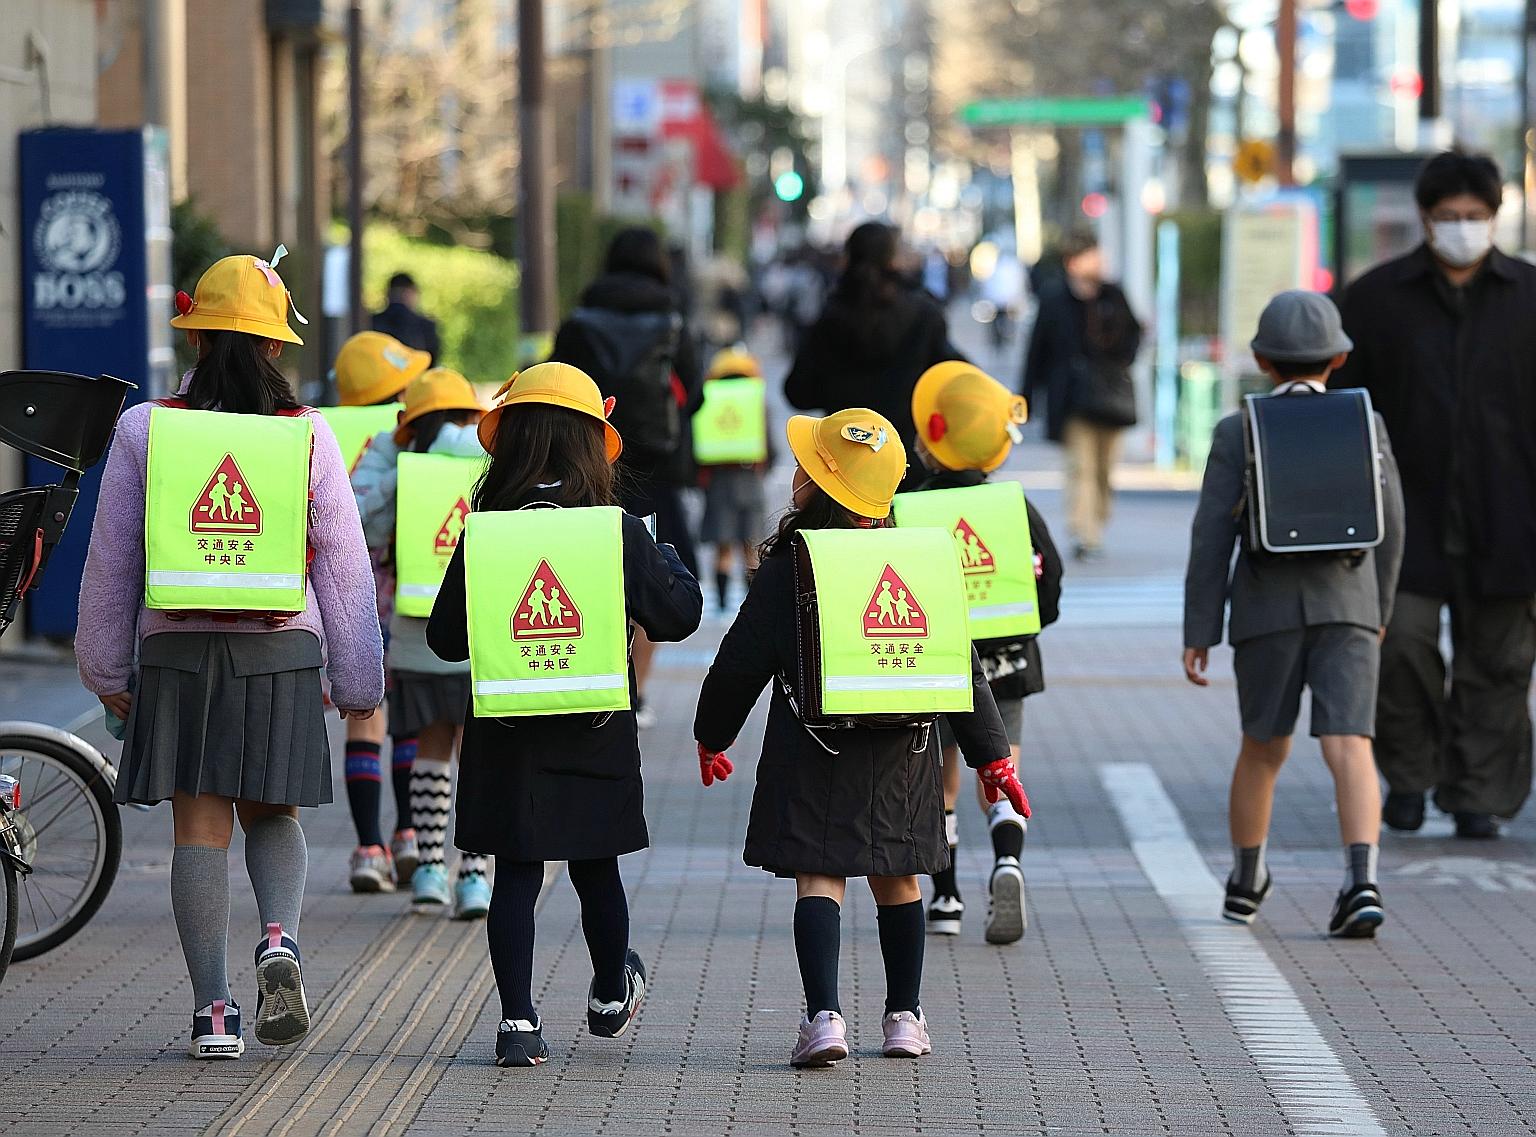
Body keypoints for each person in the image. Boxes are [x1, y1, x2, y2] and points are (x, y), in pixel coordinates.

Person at [75, 251, 385, 1059]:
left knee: (198, 827)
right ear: (275, 347)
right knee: (271, 811)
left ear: (199, 337)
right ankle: (278, 937)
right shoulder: (307, 434)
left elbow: (113, 558)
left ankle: (214, 1013)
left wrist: (105, 670)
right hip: (282, 651)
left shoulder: (146, 428)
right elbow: (344, 565)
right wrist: (358, 680)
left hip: (177, 652)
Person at [693, 407, 1028, 1068]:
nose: (793, 474)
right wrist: (993, 758)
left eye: (804, 468)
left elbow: (738, 664)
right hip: (902, 754)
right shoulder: (919, 558)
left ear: (820, 485)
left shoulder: (791, 564)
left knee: (819, 877)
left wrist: (713, 734)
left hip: (812, 748)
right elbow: (961, 665)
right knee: (899, 878)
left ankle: (823, 1017)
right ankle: (904, 1017)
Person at [425, 362, 702, 1068]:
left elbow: (445, 638)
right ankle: (611, 989)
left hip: (507, 728)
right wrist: (663, 557)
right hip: (595, 729)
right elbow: (679, 615)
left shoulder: (485, 532)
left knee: (516, 869)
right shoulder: (614, 530)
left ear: (510, 445)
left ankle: (517, 1022)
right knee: (594, 865)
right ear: (590, 445)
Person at [1183, 290, 1404, 937]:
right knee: (1350, 744)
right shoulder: (1366, 421)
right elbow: (1392, 527)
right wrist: (1379, 608)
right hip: (1350, 604)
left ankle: (1247, 879)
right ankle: (1361, 879)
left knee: (1263, 747)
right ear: (1339, 358)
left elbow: (1210, 536)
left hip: (1265, 608)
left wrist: (1201, 629)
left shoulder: (1238, 428)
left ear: (1260, 360)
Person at [1332, 150, 1536, 841]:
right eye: (1448, 217)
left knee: (1499, 663)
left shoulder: (1529, 297)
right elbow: (1342, 408)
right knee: (1401, 649)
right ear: (1424, 218)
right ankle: (1410, 779)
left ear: (1496, 217)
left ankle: (1477, 793)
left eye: (1475, 217)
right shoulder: (1375, 299)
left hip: (1510, 517)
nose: (1462, 228)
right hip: (1401, 520)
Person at [902, 362, 1062, 944]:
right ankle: (1008, 860)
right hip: (1010, 662)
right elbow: (1051, 577)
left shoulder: (912, 509)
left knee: (939, 780)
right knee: (1001, 769)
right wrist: (1028, 625)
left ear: (931, 440)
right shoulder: (1012, 508)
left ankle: (944, 898)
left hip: (941, 664)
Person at [548, 227, 703, 727]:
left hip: (588, 460)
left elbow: (556, 384)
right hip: (657, 464)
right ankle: (634, 687)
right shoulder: (673, 321)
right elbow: (694, 392)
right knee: (660, 569)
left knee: (587, 570)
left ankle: (599, 676)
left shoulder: (580, 321)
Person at [352, 367, 491, 917]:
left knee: (431, 745)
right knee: (477, 752)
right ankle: (475, 874)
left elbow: (365, 528)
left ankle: (431, 867)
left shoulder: (396, 460)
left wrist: (404, 474)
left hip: (416, 628)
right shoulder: (485, 459)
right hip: (482, 626)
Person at [332, 330, 432, 893]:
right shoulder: (401, 443)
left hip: (355, 591)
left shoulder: (325, 432)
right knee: (407, 717)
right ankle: (405, 837)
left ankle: (370, 845)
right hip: (404, 588)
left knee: (366, 718)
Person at [784, 223, 964, 461]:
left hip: (845, 466)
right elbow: (956, 378)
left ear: (847, 259)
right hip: (907, 461)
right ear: (893, 260)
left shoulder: (830, 318)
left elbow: (798, 392)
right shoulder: (925, 314)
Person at [1022, 230, 1142, 561]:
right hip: (1072, 400)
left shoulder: (1113, 295)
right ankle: (1085, 533)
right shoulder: (1054, 297)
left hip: (1111, 399)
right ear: (1073, 262)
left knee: (1104, 469)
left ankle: (1097, 521)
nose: (1099, 262)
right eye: (1091, 255)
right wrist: (1027, 396)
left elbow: (1133, 336)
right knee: (1081, 467)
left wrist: (1120, 357)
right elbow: (1037, 349)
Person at [695, 348, 771, 612]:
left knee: (723, 550)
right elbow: (769, 445)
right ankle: (755, 604)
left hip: (719, 484)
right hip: (749, 482)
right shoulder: (755, 400)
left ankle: (723, 602)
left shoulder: (710, 400)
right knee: (751, 550)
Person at [372, 271, 441, 363]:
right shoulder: (425, 325)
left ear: (388, 293)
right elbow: (431, 360)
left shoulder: (372, 321)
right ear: (411, 292)